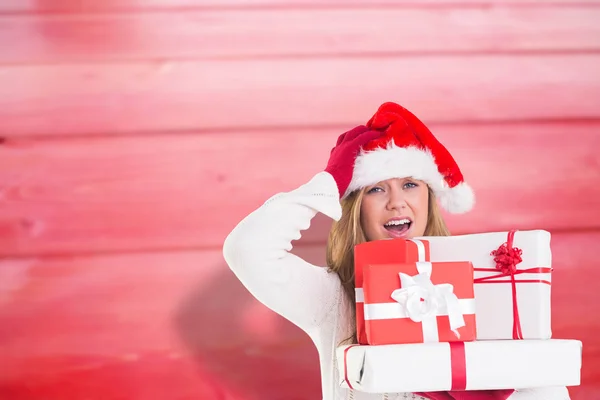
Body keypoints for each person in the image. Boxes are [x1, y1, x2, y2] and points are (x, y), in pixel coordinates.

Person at [222, 102, 570, 400]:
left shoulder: (482, 291)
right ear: (355, 205)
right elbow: (247, 249)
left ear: (429, 197)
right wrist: (329, 182)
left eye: (409, 185)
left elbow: (541, 380)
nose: (396, 203)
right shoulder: (333, 298)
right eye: (375, 189)